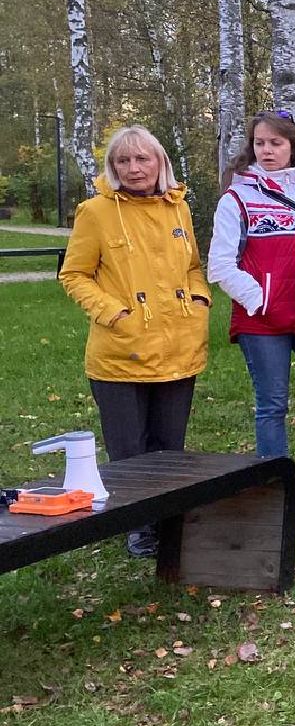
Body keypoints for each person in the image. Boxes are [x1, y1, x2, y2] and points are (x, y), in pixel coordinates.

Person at [59, 126, 211, 557]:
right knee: (129, 450)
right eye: (124, 161)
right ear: (113, 167)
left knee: (168, 448)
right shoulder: (95, 212)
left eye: (143, 159)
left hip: (177, 347)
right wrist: (113, 313)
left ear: (159, 162)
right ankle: (137, 524)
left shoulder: (177, 208)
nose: (134, 168)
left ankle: (168, 522)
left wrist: (199, 300)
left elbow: (193, 267)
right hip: (120, 353)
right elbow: (74, 274)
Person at [208, 110, 295, 500]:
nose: (267, 151)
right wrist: (261, 300)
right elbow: (219, 265)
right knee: (272, 407)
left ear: (294, 146)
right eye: (259, 143)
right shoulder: (237, 197)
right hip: (262, 322)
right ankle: (278, 498)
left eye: (276, 143)